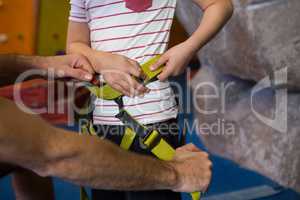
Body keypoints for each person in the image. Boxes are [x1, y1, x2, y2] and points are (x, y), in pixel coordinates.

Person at [67, 0, 233, 199]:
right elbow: (74, 45)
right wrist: (101, 60)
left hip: (153, 123)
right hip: (102, 123)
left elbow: (220, 5)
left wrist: (189, 48)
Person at [0, 54, 212, 199]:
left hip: (150, 116)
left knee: (24, 160)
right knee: (30, 152)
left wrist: (39, 64)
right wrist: (177, 174)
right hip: (109, 125)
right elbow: (56, 155)